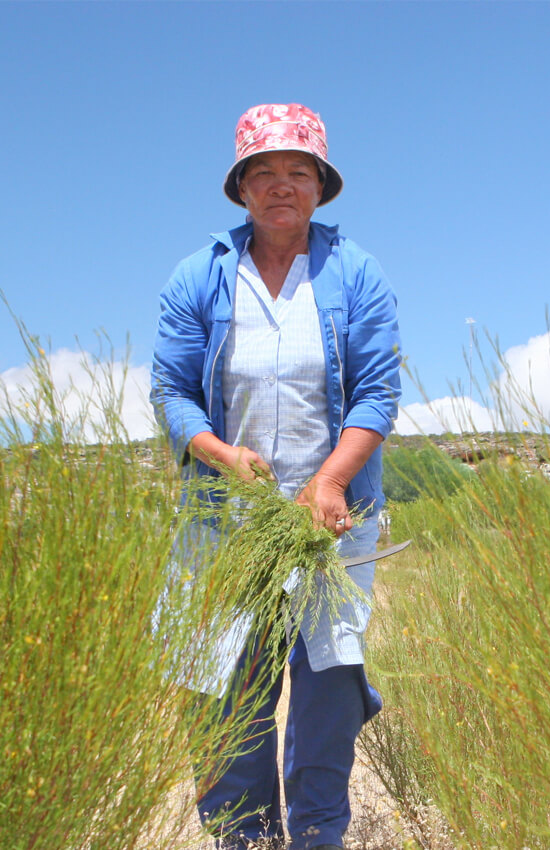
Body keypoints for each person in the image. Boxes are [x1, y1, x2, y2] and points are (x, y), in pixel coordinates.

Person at [151, 103, 401, 850]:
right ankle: (243, 837)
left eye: (299, 172)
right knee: (224, 688)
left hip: (331, 523)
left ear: (320, 186)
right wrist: (224, 458)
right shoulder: (200, 275)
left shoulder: (356, 272)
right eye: (264, 173)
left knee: (326, 689)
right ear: (242, 188)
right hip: (226, 524)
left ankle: (319, 834)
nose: (282, 186)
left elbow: (377, 392)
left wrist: (328, 482)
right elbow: (171, 392)